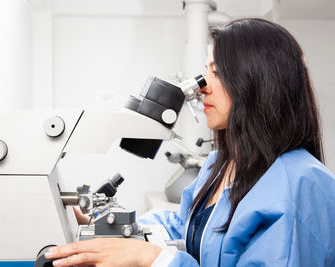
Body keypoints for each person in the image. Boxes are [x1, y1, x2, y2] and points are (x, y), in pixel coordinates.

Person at [45, 18, 335, 266]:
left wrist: (154, 259)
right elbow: (187, 228)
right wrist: (114, 231)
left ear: (257, 82)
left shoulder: (302, 184)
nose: (202, 87)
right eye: (206, 72)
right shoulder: (218, 165)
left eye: (216, 73)